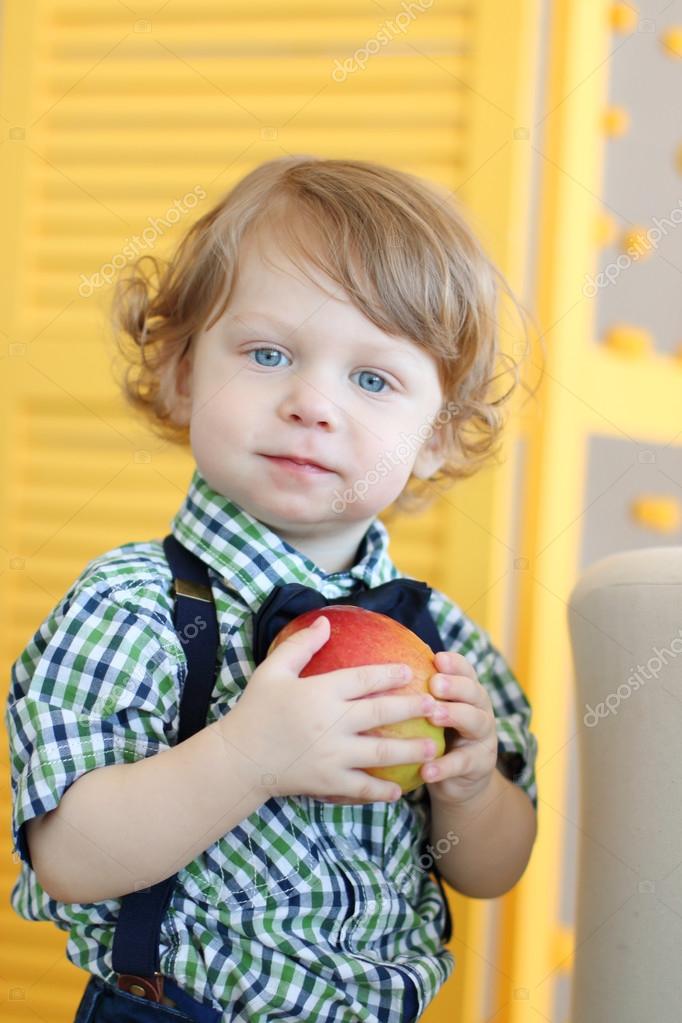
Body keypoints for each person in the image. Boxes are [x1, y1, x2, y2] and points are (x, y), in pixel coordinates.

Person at [5, 155, 539, 1022]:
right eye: (267, 352)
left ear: (436, 437)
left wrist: (471, 790)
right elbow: (68, 855)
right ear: (181, 371)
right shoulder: (132, 606)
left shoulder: (442, 640)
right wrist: (249, 756)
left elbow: (493, 871)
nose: (311, 403)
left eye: (372, 378)